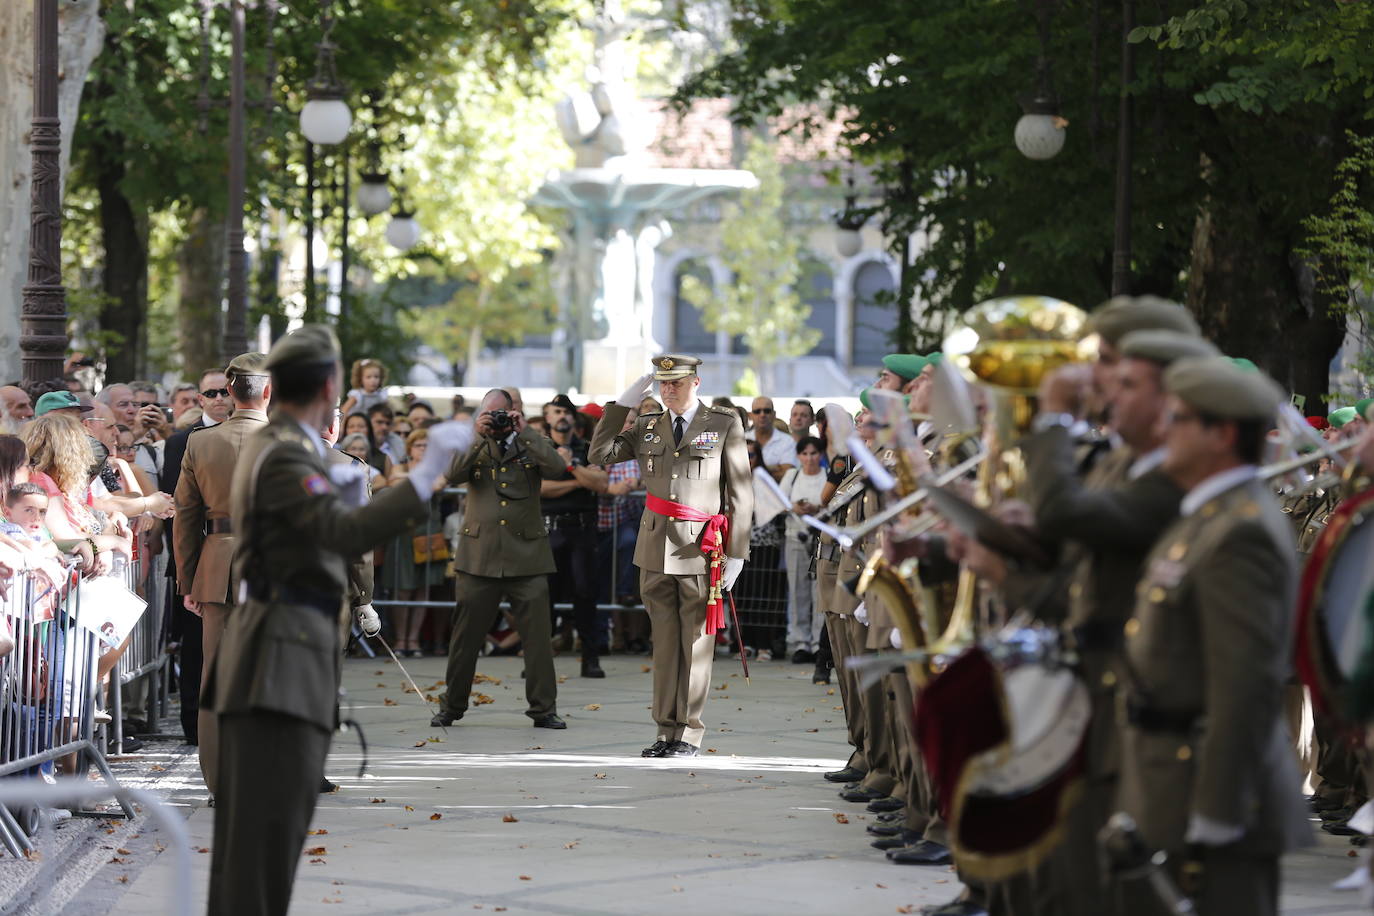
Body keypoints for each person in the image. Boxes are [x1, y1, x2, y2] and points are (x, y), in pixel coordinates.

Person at [204, 325, 472, 916]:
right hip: (275, 663)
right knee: (263, 842)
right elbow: (342, 533)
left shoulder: (287, 446)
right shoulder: (283, 454)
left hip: (281, 654)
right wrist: (427, 478)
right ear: (331, 386)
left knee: (271, 839)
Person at [1113, 355, 1310, 916]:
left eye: (1177, 418)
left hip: (1210, 795)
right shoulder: (1207, 513)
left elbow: (1243, 688)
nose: (1161, 429)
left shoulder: (1241, 529)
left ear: (1222, 434)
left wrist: (1216, 815)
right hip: (1169, 780)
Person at [590, 355, 753, 758]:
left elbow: (741, 492)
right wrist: (625, 402)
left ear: (695, 382)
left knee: (696, 645)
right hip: (654, 548)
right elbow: (600, 454)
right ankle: (665, 731)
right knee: (664, 645)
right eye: (662, 384)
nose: (668, 390)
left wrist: (737, 554)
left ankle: (689, 732)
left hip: (699, 549)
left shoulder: (722, 423)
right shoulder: (646, 425)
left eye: (676, 383)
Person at [431, 388, 568, 730]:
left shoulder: (530, 441)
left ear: (514, 412)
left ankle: (544, 709)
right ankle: (452, 705)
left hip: (528, 557)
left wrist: (527, 432)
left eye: (501, 414)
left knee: (537, 639)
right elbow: (452, 473)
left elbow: (557, 468)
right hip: (480, 558)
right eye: (490, 414)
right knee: (466, 638)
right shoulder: (472, 442)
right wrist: (477, 434)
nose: (497, 420)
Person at [173, 352, 270, 798]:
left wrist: (189, 580)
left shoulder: (200, 442)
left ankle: (220, 781)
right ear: (269, 391)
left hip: (218, 570)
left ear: (229, 391)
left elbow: (186, 519)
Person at [541, 394, 609, 677]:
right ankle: (540, 662)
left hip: (582, 531)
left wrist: (569, 467)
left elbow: (601, 483)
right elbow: (540, 489)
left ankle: (590, 658)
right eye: (557, 411)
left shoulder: (589, 449)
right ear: (547, 417)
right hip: (550, 529)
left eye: (567, 412)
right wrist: (578, 480)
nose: (563, 417)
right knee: (545, 597)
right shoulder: (541, 450)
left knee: (585, 594)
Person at [381, 428, 447, 656]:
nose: (424, 449)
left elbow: (439, 484)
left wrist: (415, 480)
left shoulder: (438, 468)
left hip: (429, 535)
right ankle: (400, 639)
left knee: (422, 590)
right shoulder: (400, 467)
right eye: (420, 445)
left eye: (428, 445)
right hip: (403, 535)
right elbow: (392, 481)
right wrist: (421, 480)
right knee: (402, 590)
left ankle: (413, 640)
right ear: (410, 448)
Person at [780, 436, 826, 662]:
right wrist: (794, 507)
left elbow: (830, 502)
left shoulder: (826, 476)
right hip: (795, 537)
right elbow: (779, 501)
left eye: (814, 453)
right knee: (797, 590)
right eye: (805, 453)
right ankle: (801, 641)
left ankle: (818, 642)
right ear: (798, 456)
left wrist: (815, 508)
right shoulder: (792, 475)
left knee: (818, 592)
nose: (809, 458)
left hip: (819, 539)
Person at [748, 397, 795, 481]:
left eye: (767, 411)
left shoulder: (788, 441)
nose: (762, 415)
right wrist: (773, 468)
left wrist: (753, 470)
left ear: (774, 414)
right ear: (751, 415)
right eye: (757, 411)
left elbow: (787, 474)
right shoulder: (741, 439)